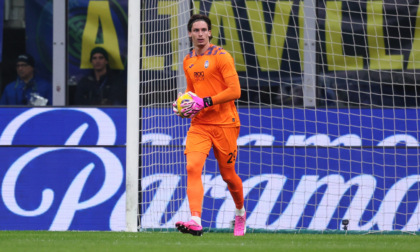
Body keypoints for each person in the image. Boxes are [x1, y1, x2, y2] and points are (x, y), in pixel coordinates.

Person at [172, 14, 246, 236]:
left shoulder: (222, 57)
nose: (200, 34)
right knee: (192, 167)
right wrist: (182, 105)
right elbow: (191, 92)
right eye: (196, 30)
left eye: (204, 30)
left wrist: (204, 102)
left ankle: (240, 212)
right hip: (200, 124)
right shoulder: (188, 60)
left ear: (210, 32)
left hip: (225, 124)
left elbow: (235, 91)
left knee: (228, 176)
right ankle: (195, 219)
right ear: (189, 34)